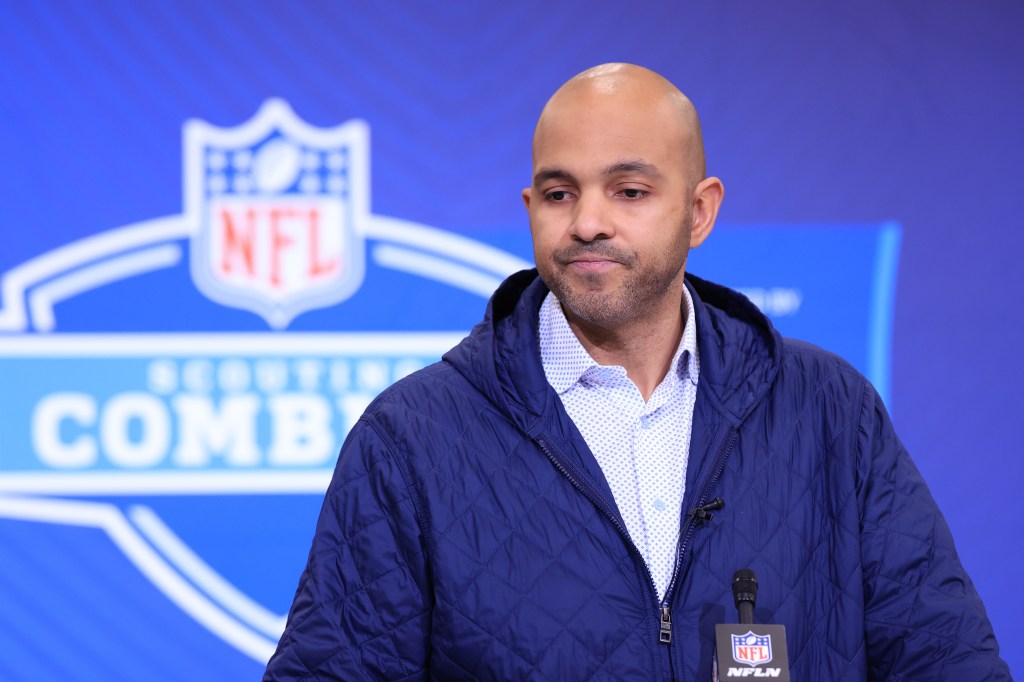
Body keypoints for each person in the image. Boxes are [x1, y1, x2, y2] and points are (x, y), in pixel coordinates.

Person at [264, 64, 1009, 680]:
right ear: (530, 208)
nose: (587, 221)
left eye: (629, 191)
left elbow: (948, 661)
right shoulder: (410, 437)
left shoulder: (831, 410)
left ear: (700, 212)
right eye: (559, 193)